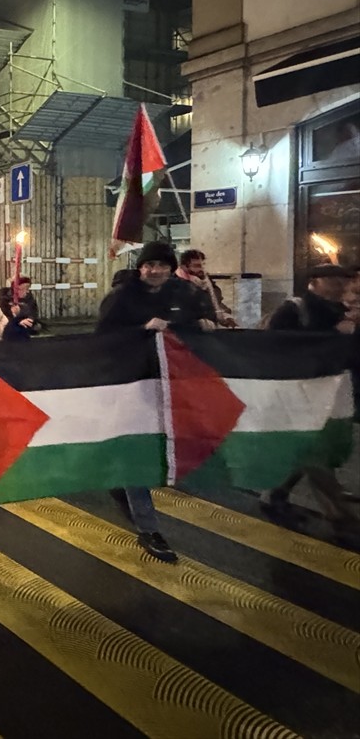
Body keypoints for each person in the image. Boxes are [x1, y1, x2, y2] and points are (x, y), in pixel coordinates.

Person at [96, 241, 215, 563]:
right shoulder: (121, 297)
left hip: (170, 384)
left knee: (158, 447)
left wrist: (206, 322)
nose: (156, 271)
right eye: (150, 265)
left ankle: (119, 477)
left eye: (163, 265)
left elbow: (196, 318)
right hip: (130, 383)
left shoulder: (182, 293)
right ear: (141, 267)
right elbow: (103, 339)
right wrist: (141, 329)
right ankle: (149, 527)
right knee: (139, 452)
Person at [262, 263, 358, 539]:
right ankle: (342, 519)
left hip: (332, 392)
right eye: (334, 279)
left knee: (311, 451)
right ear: (314, 281)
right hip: (297, 392)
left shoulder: (342, 312)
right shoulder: (294, 309)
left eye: (344, 279)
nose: (341, 284)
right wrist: (332, 335)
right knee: (316, 453)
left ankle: (276, 495)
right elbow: (276, 344)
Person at [176, 249, 237, 328]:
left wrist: (226, 316)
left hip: (209, 330)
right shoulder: (176, 285)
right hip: (188, 333)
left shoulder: (207, 282)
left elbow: (216, 303)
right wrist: (197, 323)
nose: (202, 269)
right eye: (197, 266)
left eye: (203, 265)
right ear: (184, 267)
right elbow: (178, 314)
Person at [0, 276, 42, 341]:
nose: (27, 291)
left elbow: (34, 313)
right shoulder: (5, 299)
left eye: (28, 289)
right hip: (9, 333)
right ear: (17, 289)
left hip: (26, 331)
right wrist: (15, 318)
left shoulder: (29, 298)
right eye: (25, 289)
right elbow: (1, 318)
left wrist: (30, 320)